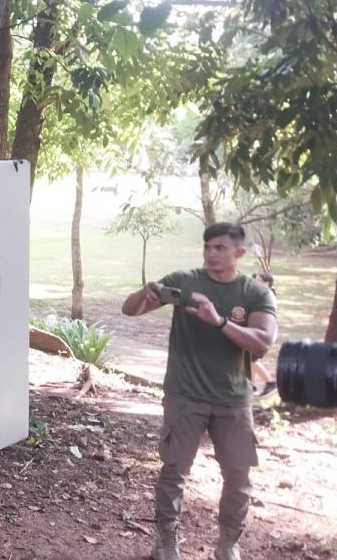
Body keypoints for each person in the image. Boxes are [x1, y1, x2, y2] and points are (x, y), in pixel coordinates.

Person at [122, 222, 277, 560]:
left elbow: (263, 342)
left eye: (220, 248)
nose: (211, 253)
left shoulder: (255, 294)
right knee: (174, 470)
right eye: (207, 247)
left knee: (238, 475)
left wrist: (219, 321)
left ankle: (227, 545)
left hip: (233, 399)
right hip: (184, 395)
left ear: (239, 252)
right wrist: (145, 294)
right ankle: (166, 543)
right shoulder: (186, 281)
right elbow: (129, 311)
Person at [249, 271, 277, 398]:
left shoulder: (266, 295)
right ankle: (251, 386)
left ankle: (270, 382)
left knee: (252, 359)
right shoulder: (264, 294)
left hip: (263, 332)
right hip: (260, 332)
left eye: (258, 280)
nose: (255, 282)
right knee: (250, 358)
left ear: (267, 283)